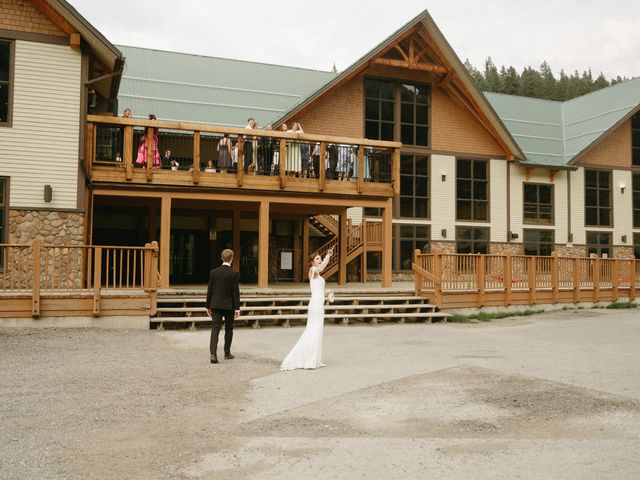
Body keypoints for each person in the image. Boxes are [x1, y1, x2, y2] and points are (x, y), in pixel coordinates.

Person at [281, 248, 333, 371]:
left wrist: (328, 292)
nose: (319, 260)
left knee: (318, 331)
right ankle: (306, 359)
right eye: (317, 259)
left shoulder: (318, 275)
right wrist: (328, 256)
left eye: (320, 258)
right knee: (313, 330)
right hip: (315, 304)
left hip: (319, 304)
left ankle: (314, 359)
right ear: (312, 262)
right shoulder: (313, 270)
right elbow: (321, 268)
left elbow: (319, 291)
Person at [206, 249, 241, 364]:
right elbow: (235, 292)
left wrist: (208, 306)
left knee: (215, 329)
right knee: (229, 329)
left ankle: (213, 354)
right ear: (232, 259)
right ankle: (227, 353)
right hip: (228, 306)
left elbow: (209, 290)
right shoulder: (234, 274)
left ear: (222, 258)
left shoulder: (213, 272)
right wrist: (237, 308)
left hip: (215, 304)